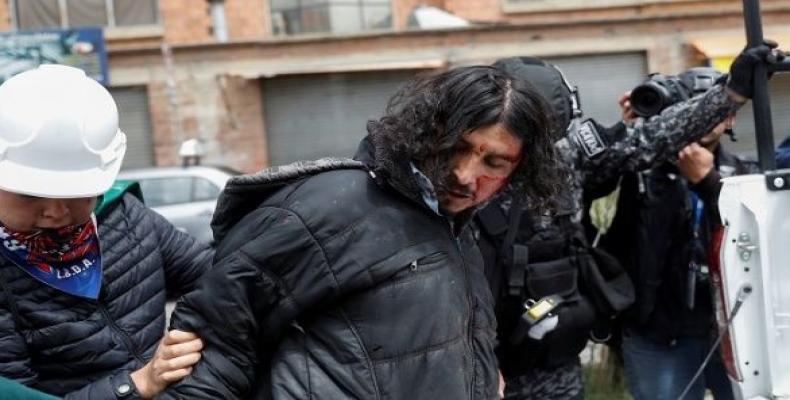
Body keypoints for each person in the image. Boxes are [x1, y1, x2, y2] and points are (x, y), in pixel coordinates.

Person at [159, 65, 560, 399]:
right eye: (456, 147)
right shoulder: (332, 207)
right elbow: (215, 341)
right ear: (428, 132)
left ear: (517, 171)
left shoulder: (455, 226)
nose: (465, 174)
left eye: (495, 162)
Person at [475, 46, 766, 400]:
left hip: (553, 360)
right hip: (480, 363)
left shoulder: (566, 161)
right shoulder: (456, 174)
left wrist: (730, 94)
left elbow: (656, 137)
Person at [0, 65, 212, 399]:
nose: (55, 212)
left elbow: (216, 277)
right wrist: (137, 384)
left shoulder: (125, 217)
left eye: (74, 192)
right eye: (29, 194)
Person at [599, 62, 770, 398]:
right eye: (694, 106)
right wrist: (629, 131)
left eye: (715, 107)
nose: (705, 118)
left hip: (737, 332)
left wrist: (708, 183)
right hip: (658, 334)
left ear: (730, 118)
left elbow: (759, 235)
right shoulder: (642, 171)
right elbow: (592, 177)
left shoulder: (746, 174)